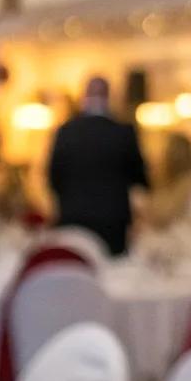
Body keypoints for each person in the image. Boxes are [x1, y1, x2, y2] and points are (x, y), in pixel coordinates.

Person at [47, 76, 148, 255]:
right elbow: (139, 177)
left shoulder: (66, 132)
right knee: (113, 270)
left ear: (84, 96)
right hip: (112, 220)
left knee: (77, 266)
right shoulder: (123, 132)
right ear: (109, 96)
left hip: (73, 217)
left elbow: (53, 177)